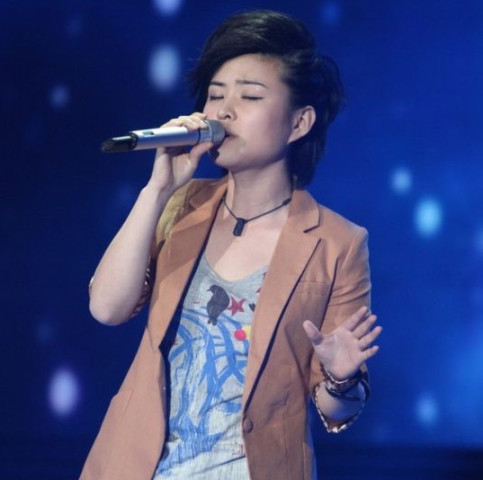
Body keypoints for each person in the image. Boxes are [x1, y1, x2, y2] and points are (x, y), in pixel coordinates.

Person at [80, 9, 381, 480]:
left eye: (250, 96)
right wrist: (157, 190)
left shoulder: (337, 243)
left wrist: (340, 378)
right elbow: (107, 307)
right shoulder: (182, 205)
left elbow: (336, 410)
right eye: (216, 95)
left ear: (299, 122)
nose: (223, 111)